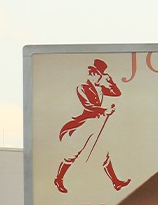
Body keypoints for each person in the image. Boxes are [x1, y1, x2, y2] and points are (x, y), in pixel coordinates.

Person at [53, 58, 130, 193]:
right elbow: (88, 106)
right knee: (73, 153)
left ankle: (116, 182)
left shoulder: (100, 88)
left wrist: (110, 80)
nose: (96, 77)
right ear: (92, 74)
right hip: (85, 124)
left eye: (99, 75)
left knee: (104, 152)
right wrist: (104, 110)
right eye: (95, 74)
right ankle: (59, 179)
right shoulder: (82, 88)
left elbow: (117, 93)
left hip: (97, 123)